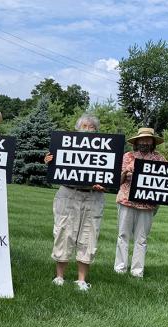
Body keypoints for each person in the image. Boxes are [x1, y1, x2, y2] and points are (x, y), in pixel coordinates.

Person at [114, 128, 168, 277]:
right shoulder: (128, 156)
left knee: (141, 239)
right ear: (136, 141)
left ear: (153, 142)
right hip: (126, 201)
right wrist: (126, 171)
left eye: (148, 139)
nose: (145, 142)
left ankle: (137, 271)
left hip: (148, 205)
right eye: (142, 139)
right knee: (123, 235)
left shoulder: (160, 159)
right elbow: (116, 182)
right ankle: (120, 268)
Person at [44, 114, 106, 291]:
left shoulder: (105, 150)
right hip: (68, 193)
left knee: (89, 235)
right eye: (84, 126)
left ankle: (81, 280)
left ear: (96, 130)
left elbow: (111, 177)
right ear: (78, 128)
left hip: (93, 196)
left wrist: (104, 186)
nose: (88, 129)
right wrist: (49, 161)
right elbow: (55, 168)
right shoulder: (64, 144)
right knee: (64, 233)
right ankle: (59, 277)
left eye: (91, 127)